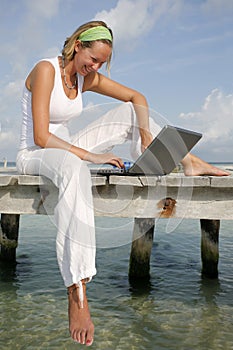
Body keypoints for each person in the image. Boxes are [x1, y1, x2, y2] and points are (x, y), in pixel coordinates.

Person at [16, 20, 229, 347]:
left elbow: (137, 96)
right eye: (93, 59)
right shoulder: (45, 70)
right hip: (36, 152)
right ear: (78, 46)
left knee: (132, 112)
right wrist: (91, 156)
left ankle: (189, 163)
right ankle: (77, 290)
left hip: (68, 149)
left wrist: (143, 134)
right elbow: (42, 136)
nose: (96, 67)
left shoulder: (83, 78)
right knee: (74, 167)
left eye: (102, 63)